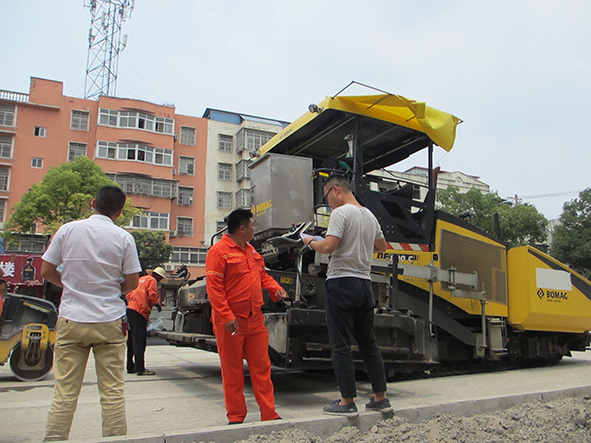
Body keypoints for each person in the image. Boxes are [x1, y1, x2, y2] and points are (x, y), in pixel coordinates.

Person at [41, 186, 141, 441]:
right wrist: (111, 289)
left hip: (71, 319)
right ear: (119, 212)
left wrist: (71, 285)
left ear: (92, 203)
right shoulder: (124, 238)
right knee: (112, 393)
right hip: (109, 321)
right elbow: (132, 282)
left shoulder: (67, 230)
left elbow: (46, 271)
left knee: (64, 394)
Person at [301, 175, 391, 417]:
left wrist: (309, 241)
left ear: (336, 190)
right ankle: (380, 398)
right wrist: (359, 245)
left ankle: (347, 401)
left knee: (340, 344)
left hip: (341, 282)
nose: (328, 203)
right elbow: (382, 247)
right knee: (368, 343)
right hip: (364, 284)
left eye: (327, 197)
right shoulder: (370, 216)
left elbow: (327, 247)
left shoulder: (340, 213)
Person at [205, 209, 288, 424]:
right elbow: (214, 288)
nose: (254, 228)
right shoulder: (218, 251)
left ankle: (269, 413)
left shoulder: (251, 251)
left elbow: (262, 276)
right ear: (242, 228)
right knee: (232, 371)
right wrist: (226, 316)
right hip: (231, 322)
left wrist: (276, 288)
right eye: (252, 224)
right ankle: (235, 416)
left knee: (262, 369)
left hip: (254, 320)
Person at [126, 267, 166, 376]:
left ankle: (130, 366)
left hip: (131, 308)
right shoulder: (152, 280)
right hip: (140, 310)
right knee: (139, 340)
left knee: (131, 339)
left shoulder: (141, 279)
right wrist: (158, 305)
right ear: (158, 276)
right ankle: (140, 369)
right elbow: (152, 295)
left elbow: (129, 294)